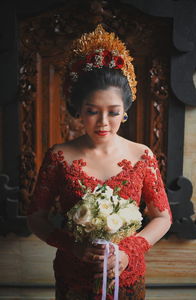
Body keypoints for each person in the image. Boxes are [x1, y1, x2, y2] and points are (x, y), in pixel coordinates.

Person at [27, 25, 172, 300]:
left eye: (113, 112)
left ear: (125, 111)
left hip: (127, 274)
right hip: (74, 273)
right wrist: (74, 246)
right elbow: (36, 217)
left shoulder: (142, 156)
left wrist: (130, 250)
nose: (104, 122)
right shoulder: (59, 156)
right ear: (78, 109)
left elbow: (163, 217)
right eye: (93, 111)